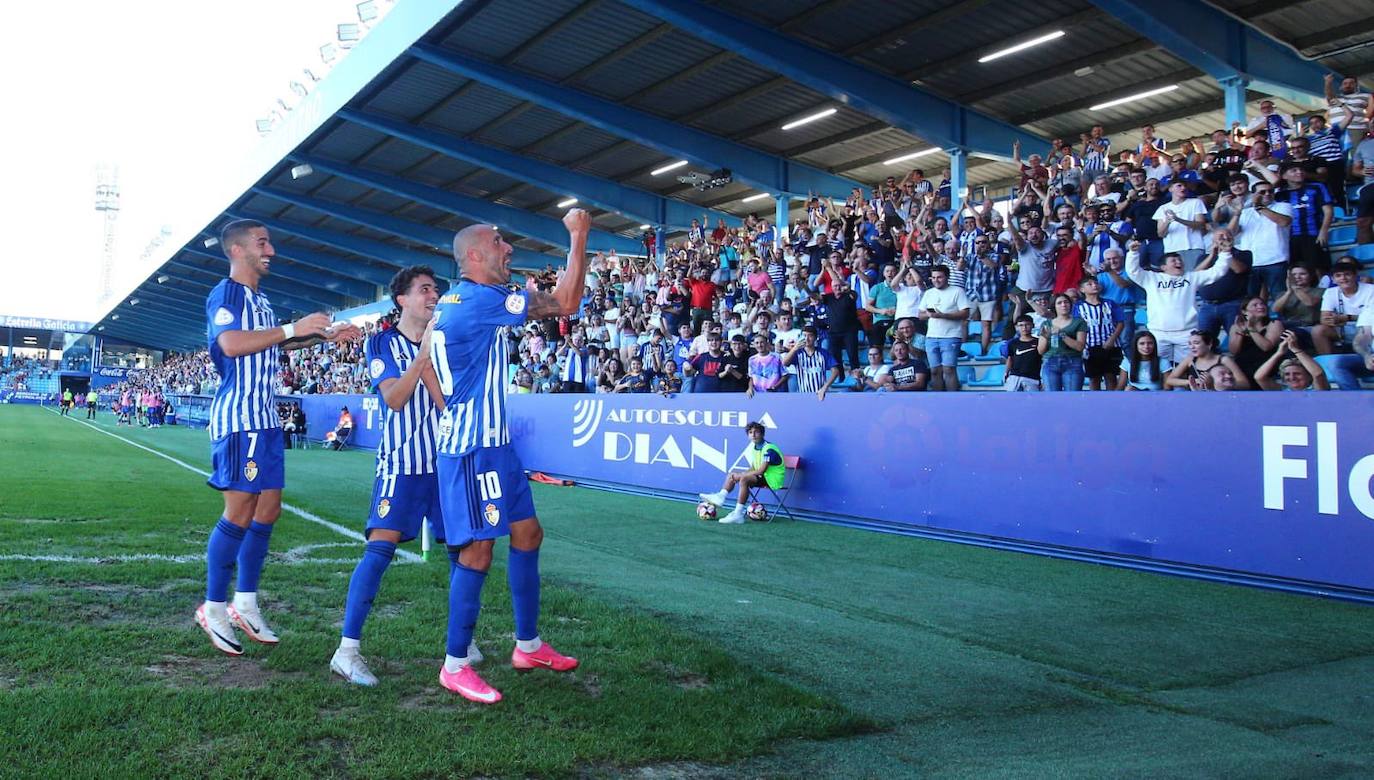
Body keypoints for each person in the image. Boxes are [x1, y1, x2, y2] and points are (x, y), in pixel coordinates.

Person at [428, 211, 589, 704]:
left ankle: (528, 646)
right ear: (475, 256)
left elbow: (433, 373)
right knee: (479, 550)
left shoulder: (458, 303)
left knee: (527, 532)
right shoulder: (478, 299)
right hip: (475, 450)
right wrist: (578, 235)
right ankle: (455, 666)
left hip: (491, 444)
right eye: (499, 242)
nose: (509, 249)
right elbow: (567, 302)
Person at [196, 218, 362, 656]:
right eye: (262, 242)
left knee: (267, 509)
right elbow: (231, 343)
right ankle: (212, 607)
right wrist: (295, 327)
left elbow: (272, 345)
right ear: (236, 250)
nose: (270, 249)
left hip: (265, 420)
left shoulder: (261, 301)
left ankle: (245, 602)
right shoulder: (227, 294)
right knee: (240, 511)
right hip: (240, 418)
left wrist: (320, 338)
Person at [332, 265, 457, 687]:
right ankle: (347, 651)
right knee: (379, 550)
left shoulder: (446, 340)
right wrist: (422, 360)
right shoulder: (383, 342)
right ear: (401, 299)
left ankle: (461, 643)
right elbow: (395, 399)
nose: (433, 295)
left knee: (466, 550)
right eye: (425, 289)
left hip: (444, 464)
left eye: (436, 289)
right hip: (401, 466)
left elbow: (451, 403)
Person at [1124, 240, 1238, 364]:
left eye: (1180, 260)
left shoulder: (1192, 277)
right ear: (1163, 267)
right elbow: (1133, 271)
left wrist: (1225, 253)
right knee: (1159, 369)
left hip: (1187, 333)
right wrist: (1133, 253)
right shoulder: (1151, 278)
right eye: (1174, 260)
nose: (1178, 262)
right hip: (1159, 333)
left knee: (1187, 368)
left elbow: (1217, 272)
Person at [698, 421, 784, 525]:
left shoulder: (769, 449)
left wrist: (743, 475)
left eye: (756, 432)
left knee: (744, 479)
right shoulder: (755, 448)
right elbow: (754, 467)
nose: (753, 435)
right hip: (762, 477)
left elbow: (761, 470)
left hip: (772, 480)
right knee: (731, 475)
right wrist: (742, 473)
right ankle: (720, 496)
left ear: (762, 434)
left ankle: (738, 514)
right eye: (751, 432)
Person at [918, 265, 970, 391]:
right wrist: (930, 314)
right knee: (935, 371)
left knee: (949, 369)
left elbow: (965, 313)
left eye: (939, 277)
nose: (936, 280)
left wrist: (943, 315)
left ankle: (953, 400)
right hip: (931, 337)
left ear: (947, 277)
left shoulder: (957, 291)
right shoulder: (929, 293)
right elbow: (920, 315)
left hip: (951, 336)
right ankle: (938, 401)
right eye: (934, 277)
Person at [1165, 331, 1251, 391]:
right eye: (1190, 344)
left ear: (1209, 344)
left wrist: (1217, 384)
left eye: (1196, 343)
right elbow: (1170, 380)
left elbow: (1245, 384)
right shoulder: (1190, 359)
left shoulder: (1224, 360)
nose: (1192, 347)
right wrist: (1193, 382)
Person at [1254, 331, 1332, 391]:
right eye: (1287, 374)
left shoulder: (1318, 389)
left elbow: (1318, 374)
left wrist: (1295, 349)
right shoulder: (1282, 390)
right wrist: (1278, 353)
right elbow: (1259, 377)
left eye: (1297, 374)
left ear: (1309, 376)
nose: (1292, 377)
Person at [1040, 294, 1087, 391]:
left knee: (1072, 398)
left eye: (1066, 302)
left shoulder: (1079, 322)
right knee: (1052, 398)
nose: (1063, 305)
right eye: (1059, 303)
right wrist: (1046, 337)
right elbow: (1040, 350)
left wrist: (1062, 334)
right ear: (1054, 306)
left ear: (1070, 305)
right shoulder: (1046, 324)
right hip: (1050, 361)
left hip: (1072, 361)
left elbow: (1080, 347)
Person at [782, 326, 839, 401]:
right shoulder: (797, 353)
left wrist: (825, 387)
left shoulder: (823, 353)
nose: (807, 339)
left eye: (810, 335)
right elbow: (785, 363)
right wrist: (794, 348)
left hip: (821, 395)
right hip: (803, 396)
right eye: (804, 335)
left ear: (816, 337)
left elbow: (835, 371)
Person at [1003, 314, 1046, 391]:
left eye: (1027, 325)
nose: (1024, 328)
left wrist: (1042, 379)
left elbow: (1043, 360)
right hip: (1014, 377)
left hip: (1032, 378)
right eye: (1021, 325)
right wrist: (1006, 373)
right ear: (1016, 327)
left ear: (1033, 325)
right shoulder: (1013, 343)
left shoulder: (1039, 342)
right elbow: (1010, 359)